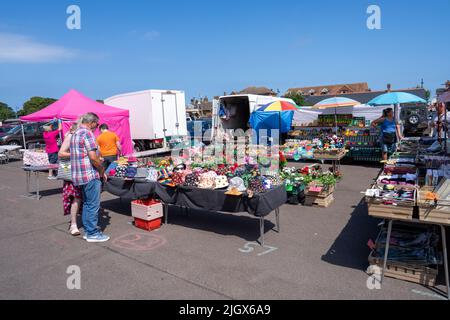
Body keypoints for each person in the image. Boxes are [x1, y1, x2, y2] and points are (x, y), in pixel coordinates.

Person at [70, 113, 110, 242]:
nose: (96, 127)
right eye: (96, 125)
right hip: (89, 174)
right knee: (92, 204)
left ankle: (89, 231)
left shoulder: (75, 133)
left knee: (88, 204)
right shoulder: (87, 133)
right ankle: (92, 233)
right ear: (92, 123)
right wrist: (102, 169)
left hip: (79, 175)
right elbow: (93, 157)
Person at [58, 122, 82, 236]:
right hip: (72, 173)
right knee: (76, 198)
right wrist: (77, 153)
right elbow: (61, 153)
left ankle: (86, 223)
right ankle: (73, 224)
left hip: (84, 173)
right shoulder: (70, 136)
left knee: (83, 199)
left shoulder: (84, 136)